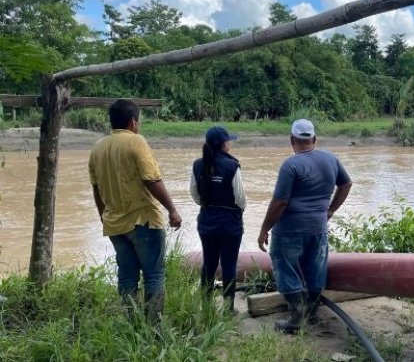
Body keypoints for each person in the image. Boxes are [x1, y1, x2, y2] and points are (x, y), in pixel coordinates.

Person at [88, 99, 182, 323]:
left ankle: (132, 324)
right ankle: (154, 328)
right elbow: (152, 179)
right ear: (133, 122)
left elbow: (96, 189)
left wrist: (104, 216)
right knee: (154, 275)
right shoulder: (136, 142)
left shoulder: (97, 148)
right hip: (144, 221)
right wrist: (172, 210)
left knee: (127, 276)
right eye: (138, 121)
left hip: (114, 224)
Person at [258, 119, 353, 333]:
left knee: (284, 266)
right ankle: (311, 313)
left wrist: (264, 229)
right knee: (315, 269)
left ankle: (296, 318)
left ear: (292, 140)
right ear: (314, 139)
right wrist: (330, 210)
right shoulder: (330, 159)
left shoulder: (291, 165)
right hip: (318, 228)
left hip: (290, 230)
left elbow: (280, 202)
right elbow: (346, 184)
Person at [190, 126, 246, 314]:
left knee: (209, 263)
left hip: (207, 220)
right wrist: (237, 214)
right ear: (224, 145)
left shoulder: (197, 164)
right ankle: (228, 308)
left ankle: (206, 305)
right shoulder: (232, 165)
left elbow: (195, 195)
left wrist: (209, 207)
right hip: (230, 222)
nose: (230, 142)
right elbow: (240, 199)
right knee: (229, 264)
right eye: (229, 140)